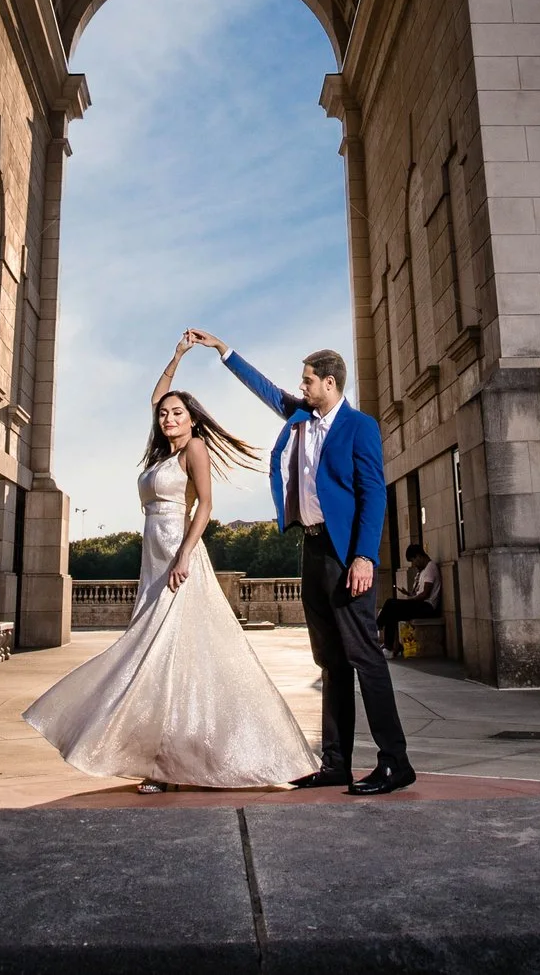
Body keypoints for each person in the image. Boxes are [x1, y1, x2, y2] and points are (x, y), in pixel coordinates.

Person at [23, 334, 316, 792]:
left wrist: (183, 556)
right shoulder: (163, 452)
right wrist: (177, 356)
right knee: (151, 654)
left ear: (192, 419)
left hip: (179, 556)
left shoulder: (193, 450)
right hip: (152, 557)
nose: (168, 417)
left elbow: (205, 508)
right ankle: (156, 758)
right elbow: (157, 395)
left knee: (166, 655)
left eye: (178, 412)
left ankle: (171, 762)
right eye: (164, 413)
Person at [187, 328, 416, 796]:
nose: (302, 387)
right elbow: (265, 389)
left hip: (345, 553)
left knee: (365, 657)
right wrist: (223, 350)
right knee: (331, 662)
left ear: (330, 383)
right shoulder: (299, 416)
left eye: (308, 380)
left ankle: (395, 762)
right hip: (311, 550)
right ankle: (335, 764)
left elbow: (374, 495)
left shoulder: (360, 427)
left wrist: (365, 556)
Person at [379, 544, 443, 656]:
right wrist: (409, 594)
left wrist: (411, 600)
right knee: (392, 611)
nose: (414, 564)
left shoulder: (430, 568)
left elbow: (425, 594)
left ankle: (378, 626)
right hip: (421, 604)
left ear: (419, 556)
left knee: (390, 603)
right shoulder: (423, 571)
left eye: (413, 560)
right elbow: (419, 592)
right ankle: (391, 647)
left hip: (427, 607)